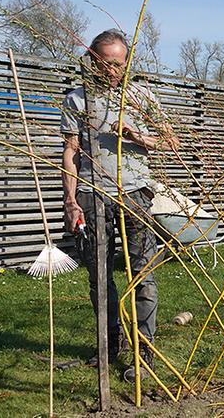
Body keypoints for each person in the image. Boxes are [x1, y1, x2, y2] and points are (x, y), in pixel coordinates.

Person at [60, 29, 180, 382]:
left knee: (142, 274)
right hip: (93, 194)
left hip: (135, 194)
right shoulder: (77, 100)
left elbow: (170, 141)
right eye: (104, 63)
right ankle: (109, 345)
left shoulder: (141, 97)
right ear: (92, 61)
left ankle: (146, 351)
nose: (112, 70)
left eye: (118, 63)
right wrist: (71, 201)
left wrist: (136, 135)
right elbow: (69, 152)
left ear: (126, 63)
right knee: (99, 278)